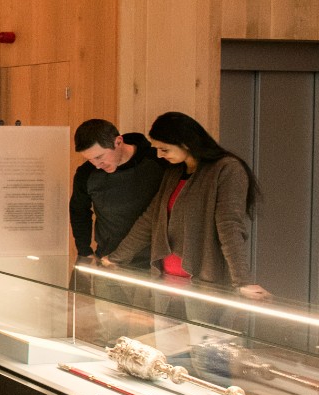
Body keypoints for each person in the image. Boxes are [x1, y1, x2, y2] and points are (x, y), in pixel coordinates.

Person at [102, 111, 272, 306]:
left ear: (185, 143)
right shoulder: (174, 172)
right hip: (165, 282)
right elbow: (150, 219)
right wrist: (116, 258)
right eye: (157, 149)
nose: (159, 155)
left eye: (164, 149)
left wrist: (242, 281)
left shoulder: (226, 169)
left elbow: (230, 227)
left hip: (204, 286)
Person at [69, 119, 166, 340]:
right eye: (90, 159)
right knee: (112, 334)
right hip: (108, 261)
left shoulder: (156, 164)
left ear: (118, 141)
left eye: (100, 157)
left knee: (148, 337)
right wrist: (84, 250)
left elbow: (158, 216)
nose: (96, 164)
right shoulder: (87, 173)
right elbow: (79, 211)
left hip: (151, 266)